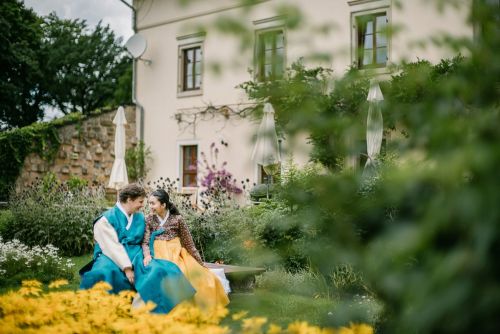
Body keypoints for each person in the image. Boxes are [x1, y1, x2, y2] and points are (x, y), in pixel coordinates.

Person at [80, 183, 195, 313]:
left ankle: (155, 308)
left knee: (161, 269)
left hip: (136, 254)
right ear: (129, 199)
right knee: (104, 272)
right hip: (109, 255)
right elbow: (111, 246)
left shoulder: (140, 217)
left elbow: (146, 239)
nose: (142, 205)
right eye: (140, 201)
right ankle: (106, 309)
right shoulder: (105, 219)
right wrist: (127, 268)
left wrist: (148, 254)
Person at [143, 189, 230, 313]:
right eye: (149, 203)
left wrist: (200, 262)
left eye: (153, 203)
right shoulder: (149, 219)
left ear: (163, 204)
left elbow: (189, 243)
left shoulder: (178, 219)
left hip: (176, 252)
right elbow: (145, 242)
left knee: (193, 275)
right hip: (158, 252)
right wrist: (147, 255)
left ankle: (193, 311)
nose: (150, 206)